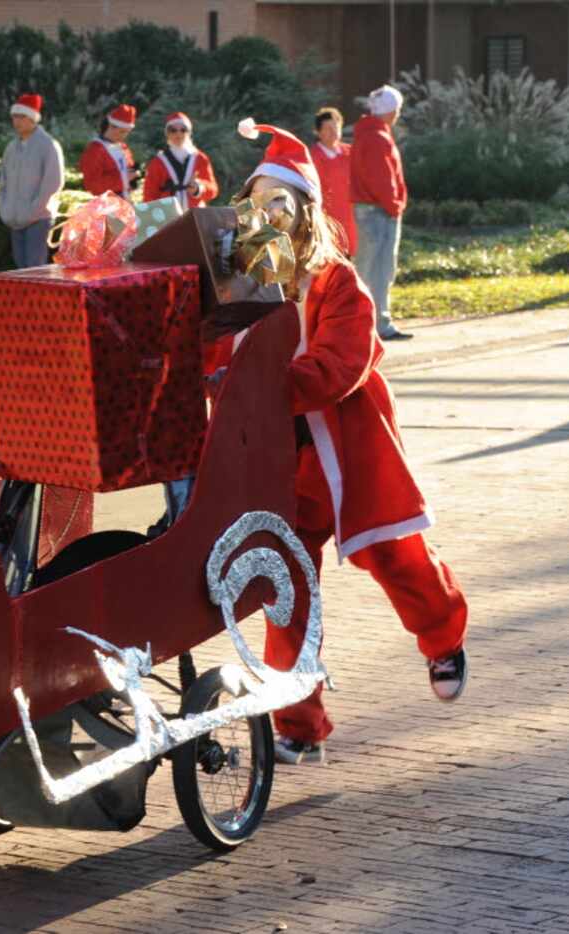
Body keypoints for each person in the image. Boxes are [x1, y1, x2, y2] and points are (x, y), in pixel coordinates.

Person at [213, 118, 469, 765]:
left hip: (350, 458)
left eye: (281, 203)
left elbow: (338, 366)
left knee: (396, 558)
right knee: (287, 582)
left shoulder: (338, 283)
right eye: (258, 204)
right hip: (286, 463)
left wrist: (263, 384)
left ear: (304, 213)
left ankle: (443, 635)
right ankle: (299, 719)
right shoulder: (246, 286)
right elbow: (215, 354)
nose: (268, 216)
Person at [351, 85, 410, 341]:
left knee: (367, 267)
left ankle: (361, 323)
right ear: (389, 110)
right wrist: (395, 206)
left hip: (370, 210)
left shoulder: (367, 134)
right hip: (379, 213)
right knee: (380, 270)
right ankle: (378, 325)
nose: (397, 114)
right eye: (396, 109)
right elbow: (383, 180)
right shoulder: (378, 138)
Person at [0, 93, 64, 269]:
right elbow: (2, 183)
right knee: (20, 269)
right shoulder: (11, 148)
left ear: (33, 119)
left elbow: (53, 184)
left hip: (39, 219)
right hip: (14, 220)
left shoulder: (49, 145)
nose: (16, 121)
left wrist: (32, 212)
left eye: (21, 116)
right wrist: (5, 210)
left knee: (35, 270)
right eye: (14, 117)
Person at [142, 112, 218, 210]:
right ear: (167, 134)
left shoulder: (200, 158)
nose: (178, 133)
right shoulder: (158, 162)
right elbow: (149, 194)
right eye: (173, 130)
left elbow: (213, 189)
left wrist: (198, 188)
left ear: (189, 133)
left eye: (183, 130)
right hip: (168, 215)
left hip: (195, 215)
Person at [310, 106, 356, 256]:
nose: (334, 132)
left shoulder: (350, 152)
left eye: (336, 127)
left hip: (350, 217)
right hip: (326, 217)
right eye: (328, 128)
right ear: (318, 132)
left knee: (348, 259)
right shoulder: (312, 157)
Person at [79, 104, 139, 198]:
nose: (124, 136)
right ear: (111, 126)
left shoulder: (122, 147)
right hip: (105, 205)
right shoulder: (95, 150)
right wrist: (123, 178)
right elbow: (91, 185)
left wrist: (133, 177)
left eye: (127, 132)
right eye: (122, 132)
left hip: (124, 202)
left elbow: (128, 170)